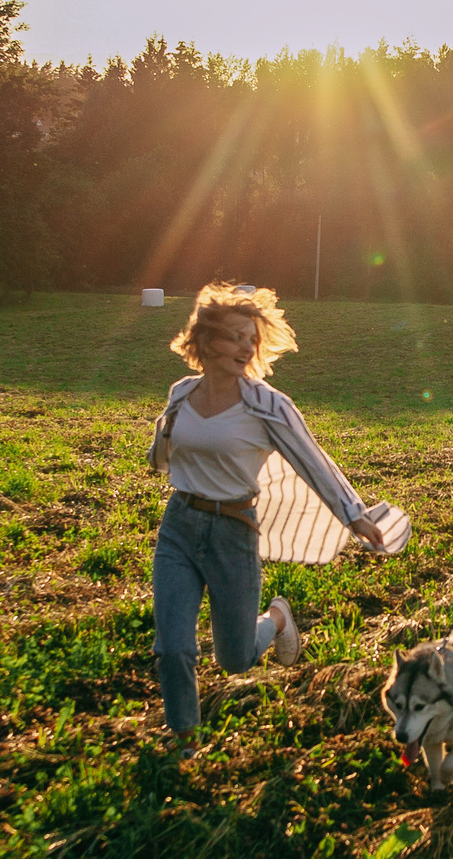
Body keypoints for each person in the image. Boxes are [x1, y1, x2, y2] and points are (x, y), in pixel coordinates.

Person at [146, 282, 389, 749]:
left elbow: (312, 460)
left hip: (233, 533)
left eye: (251, 338)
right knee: (173, 648)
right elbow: (163, 451)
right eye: (236, 336)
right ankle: (184, 738)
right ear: (206, 339)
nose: (246, 347)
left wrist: (354, 515)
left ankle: (276, 619)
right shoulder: (181, 393)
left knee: (235, 659)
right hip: (179, 525)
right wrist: (161, 447)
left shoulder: (267, 404)